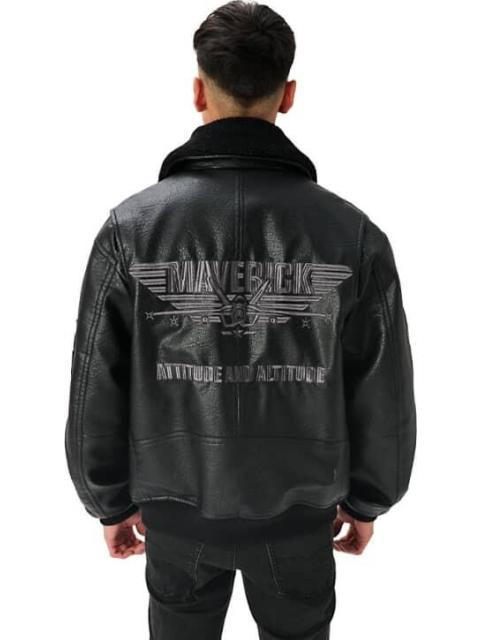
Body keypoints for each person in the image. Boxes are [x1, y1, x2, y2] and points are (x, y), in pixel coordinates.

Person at [65, 2, 416, 638]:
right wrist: (370, 499)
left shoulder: (130, 230)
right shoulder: (352, 235)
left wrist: (107, 501)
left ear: (199, 91)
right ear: (289, 95)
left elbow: (96, 379)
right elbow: (383, 387)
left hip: (175, 511)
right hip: (301, 517)